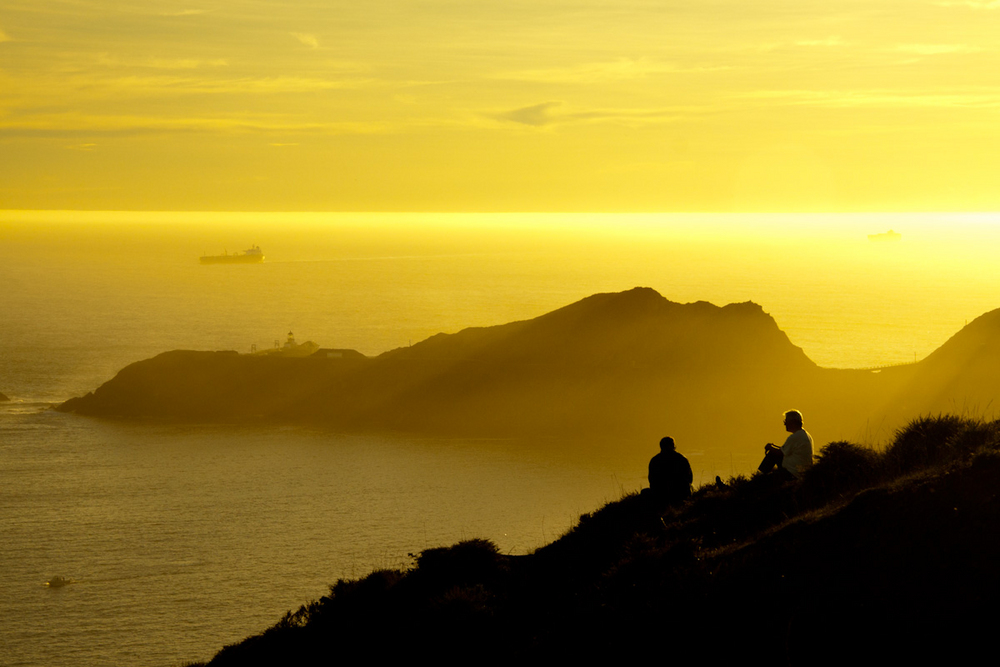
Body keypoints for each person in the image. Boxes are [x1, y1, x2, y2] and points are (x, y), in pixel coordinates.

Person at [758, 409, 814, 480]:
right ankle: (763, 473)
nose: (784, 424)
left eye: (786, 422)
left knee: (772, 453)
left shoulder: (794, 437)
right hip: (801, 471)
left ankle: (762, 475)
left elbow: (780, 453)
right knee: (773, 453)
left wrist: (769, 447)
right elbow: (787, 450)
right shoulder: (804, 435)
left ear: (792, 422)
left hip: (793, 472)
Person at [648, 436, 693, 504]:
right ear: (673, 446)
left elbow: (651, 480)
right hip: (680, 494)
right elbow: (690, 478)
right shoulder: (681, 459)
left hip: (660, 495)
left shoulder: (655, 460)